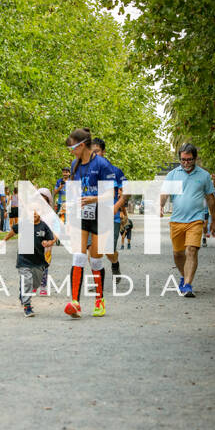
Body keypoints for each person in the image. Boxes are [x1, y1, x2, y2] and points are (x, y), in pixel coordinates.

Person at [64, 128, 126, 318]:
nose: (71, 152)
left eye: (72, 148)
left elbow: (110, 194)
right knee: (78, 257)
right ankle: (75, 303)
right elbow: (74, 191)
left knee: (96, 260)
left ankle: (99, 300)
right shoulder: (74, 164)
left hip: (101, 215)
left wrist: (93, 198)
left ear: (82, 145)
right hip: (82, 215)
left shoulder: (102, 164)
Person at [160, 143, 215, 298]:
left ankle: (187, 285)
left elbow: (210, 199)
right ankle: (184, 276)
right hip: (177, 220)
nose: (185, 163)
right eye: (183, 160)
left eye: (189, 160)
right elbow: (164, 193)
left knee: (191, 250)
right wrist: (160, 206)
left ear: (195, 158)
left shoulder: (204, 175)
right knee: (178, 254)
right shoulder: (172, 174)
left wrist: (214, 220)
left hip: (196, 220)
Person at [4, 207, 55, 317]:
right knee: (27, 280)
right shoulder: (24, 224)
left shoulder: (44, 226)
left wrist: (48, 243)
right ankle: (27, 305)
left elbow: (51, 239)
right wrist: (3, 240)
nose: (34, 214)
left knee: (35, 284)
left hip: (38, 260)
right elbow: (13, 231)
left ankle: (23, 293)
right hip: (24, 259)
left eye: (37, 212)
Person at [91, 137, 127, 282]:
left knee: (108, 250)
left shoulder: (115, 171)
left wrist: (117, 207)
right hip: (91, 217)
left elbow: (127, 192)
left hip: (111, 217)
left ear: (104, 152)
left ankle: (115, 263)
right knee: (92, 250)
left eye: (97, 151)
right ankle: (97, 282)